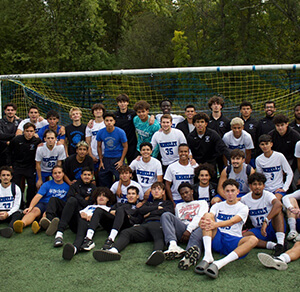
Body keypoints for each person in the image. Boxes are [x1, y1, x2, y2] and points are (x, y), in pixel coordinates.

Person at [92, 182, 174, 266]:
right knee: (126, 232)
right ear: (151, 192)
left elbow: (168, 212)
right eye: (154, 189)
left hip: (158, 224)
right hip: (144, 226)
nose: (156, 191)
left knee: (158, 235)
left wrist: (149, 213)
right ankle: (114, 250)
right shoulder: (146, 203)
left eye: (159, 189)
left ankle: (156, 252)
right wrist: (156, 208)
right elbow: (141, 211)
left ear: (163, 192)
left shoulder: (167, 203)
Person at [195, 179, 258, 279]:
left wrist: (215, 224)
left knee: (253, 239)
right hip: (217, 238)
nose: (230, 194)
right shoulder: (217, 205)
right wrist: (203, 222)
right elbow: (209, 217)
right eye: (227, 191)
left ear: (238, 192)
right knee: (207, 216)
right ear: (223, 192)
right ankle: (207, 256)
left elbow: (232, 221)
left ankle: (219, 264)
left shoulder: (243, 207)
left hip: (233, 241)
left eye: (233, 191)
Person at [161, 183, 208, 270]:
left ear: (192, 191)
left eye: (186, 192)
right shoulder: (178, 206)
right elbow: (178, 220)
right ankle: (173, 246)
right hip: (183, 229)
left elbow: (200, 217)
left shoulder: (202, 203)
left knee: (202, 226)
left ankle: (188, 256)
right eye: (182, 194)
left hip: (196, 228)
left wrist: (189, 230)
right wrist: (185, 231)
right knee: (166, 215)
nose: (185, 195)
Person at [81, 186, 143, 252]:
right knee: (98, 210)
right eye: (129, 194)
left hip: (126, 225)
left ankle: (110, 239)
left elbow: (139, 220)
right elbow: (111, 212)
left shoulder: (139, 207)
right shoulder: (119, 204)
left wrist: (129, 216)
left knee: (120, 210)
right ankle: (88, 239)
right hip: (113, 223)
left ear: (137, 196)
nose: (131, 196)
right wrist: (117, 213)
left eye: (133, 194)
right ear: (126, 196)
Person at [61, 187, 116, 260]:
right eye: (99, 196)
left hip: (89, 225)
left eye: (104, 196)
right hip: (78, 222)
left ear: (108, 198)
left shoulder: (108, 209)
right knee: (72, 206)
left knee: (82, 225)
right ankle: (59, 230)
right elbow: (80, 213)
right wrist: (82, 214)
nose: (101, 197)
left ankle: (75, 248)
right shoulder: (89, 206)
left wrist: (91, 218)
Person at [39, 167, 96, 237]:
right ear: (81, 176)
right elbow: (69, 198)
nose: (86, 177)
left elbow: (87, 204)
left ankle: (57, 226)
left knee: (73, 200)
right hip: (70, 208)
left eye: (88, 175)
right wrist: (83, 198)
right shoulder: (75, 185)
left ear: (92, 176)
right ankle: (50, 221)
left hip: (80, 214)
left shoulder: (94, 189)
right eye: (85, 175)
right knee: (54, 199)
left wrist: (77, 195)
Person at [13, 166, 69, 233]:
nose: (57, 175)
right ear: (52, 175)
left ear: (63, 174)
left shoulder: (67, 187)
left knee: (46, 214)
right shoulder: (47, 184)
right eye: (55, 173)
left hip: (54, 207)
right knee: (34, 211)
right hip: (43, 204)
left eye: (59, 173)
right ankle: (21, 224)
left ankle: (39, 226)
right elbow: (38, 196)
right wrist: (30, 207)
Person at [241, 173, 286, 256]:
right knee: (243, 237)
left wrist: (266, 221)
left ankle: (280, 243)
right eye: (254, 184)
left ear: (264, 186)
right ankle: (273, 246)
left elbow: (278, 205)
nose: (257, 187)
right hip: (259, 230)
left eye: (260, 184)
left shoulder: (268, 195)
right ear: (250, 186)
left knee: (278, 212)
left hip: (273, 226)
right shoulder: (245, 199)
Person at [7, 122, 41, 207]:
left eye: (31, 131)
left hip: (30, 167)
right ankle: (18, 205)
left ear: (34, 132)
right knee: (16, 187)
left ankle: (29, 205)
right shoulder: (16, 140)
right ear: (24, 131)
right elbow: (8, 152)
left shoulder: (37, 141)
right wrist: (10, 164)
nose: (29, 133)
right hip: (18, 166)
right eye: (27, 131)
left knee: (32, 186)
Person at [256, 134, 293, 200]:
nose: (265, 146)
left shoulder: (279, 156)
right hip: (265, 189)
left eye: (267, 144)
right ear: (259, 146)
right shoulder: (259, 159)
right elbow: (259, 177)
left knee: (276, 201)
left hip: (278, 188)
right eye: (262, 144)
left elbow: (289, 173)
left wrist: (285, 188)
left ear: (271, 144)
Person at [96, 112, 128, 188]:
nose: (109, 122)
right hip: (106, 158)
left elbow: (125, 146)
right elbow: (99, 146)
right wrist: (101, 160)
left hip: (118, 158)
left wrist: (121, 160)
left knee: (119, 178)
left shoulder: (120, 132)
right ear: (104, 121)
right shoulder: (101, 132)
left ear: (114, 121)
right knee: (103, 178)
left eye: (111, 120)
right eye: (107, 120)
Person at [114, 93, 138, 164]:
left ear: (127, 103)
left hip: (131, 143)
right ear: (118, 103)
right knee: (119, 163)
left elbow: (143, 117)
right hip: (119, 143)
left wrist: (152, 116)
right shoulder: (115, 115)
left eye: (124, 102)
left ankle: (133, 175)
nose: (122, 104)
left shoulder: (133, 113)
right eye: (120, 102)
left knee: (132, 163)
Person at [85, 103, 106, 184]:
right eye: (96, 110)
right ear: (93, 112)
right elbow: (88, 142)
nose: (98, 111)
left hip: (105, 155)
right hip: (94, 155)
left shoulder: (106, 123)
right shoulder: (90, 125)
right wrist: (91, 155)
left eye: (100, 110)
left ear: (103, 111)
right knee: (94, 177)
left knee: (105, 177)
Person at [0, 166, 22, 238]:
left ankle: (9, 229)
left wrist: (7, 213)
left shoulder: (16, 188)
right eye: (3, 175)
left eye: (8, 175)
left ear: (11, 177)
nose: (5, 177)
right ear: (0, 177)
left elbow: (16, 206)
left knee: (18, 214)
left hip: (10, 212)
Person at [240, 101, 258, 167]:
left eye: (248, 109)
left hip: (251, 154)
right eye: (244, 109)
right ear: (240, 110)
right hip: (238, 154)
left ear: (251, 110)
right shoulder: (236, 122)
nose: (246, 111)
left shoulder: (255, 123)